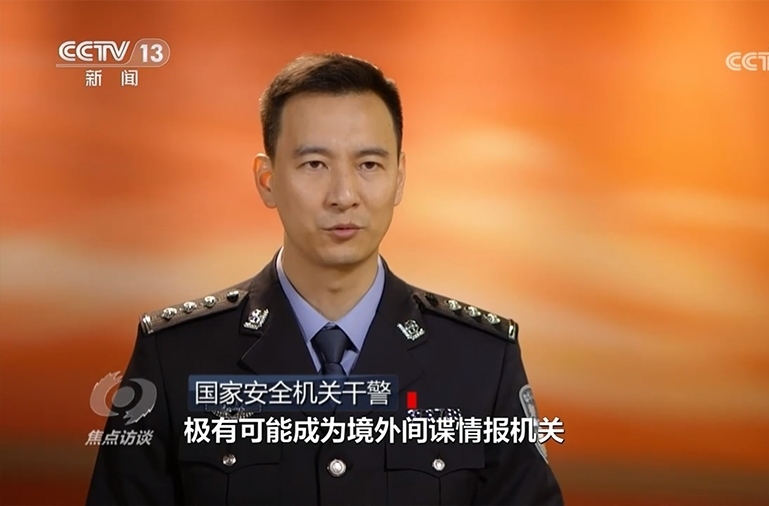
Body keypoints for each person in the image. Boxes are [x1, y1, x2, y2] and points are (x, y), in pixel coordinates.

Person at [86, 52, 564, 506]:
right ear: (267, 180)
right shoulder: (175, 357)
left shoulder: (481, 361)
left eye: (369, 165)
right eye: (314, 164)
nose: (343, 194)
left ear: (399, 177)